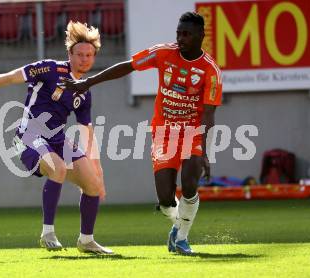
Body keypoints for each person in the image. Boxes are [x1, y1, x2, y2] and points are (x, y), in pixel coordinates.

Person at [62, 12, 222, 255]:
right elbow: (128, 66)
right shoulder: (163, 53)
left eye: (187, 34)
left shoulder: (210, 70)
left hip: (192, 132)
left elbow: (208, 115)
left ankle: (182, 239)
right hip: (164, 132)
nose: (181, 38)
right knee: (166, 198)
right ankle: (178, 228)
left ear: (201, 35)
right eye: (179, 32)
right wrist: (88, 82)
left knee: (189, 185)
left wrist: (206, 152)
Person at [0, 21, 113, 255]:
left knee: (93, 185)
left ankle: (87, 241)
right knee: (57, 168)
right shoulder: (48, 69)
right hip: (30, 135)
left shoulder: (84, 89)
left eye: (89, 55)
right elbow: (10, 77)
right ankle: (47, 233)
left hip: (57, 139)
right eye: (79, 54)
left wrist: (98, 168)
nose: (84, 59)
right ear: (69, 54)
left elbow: (86, 131)